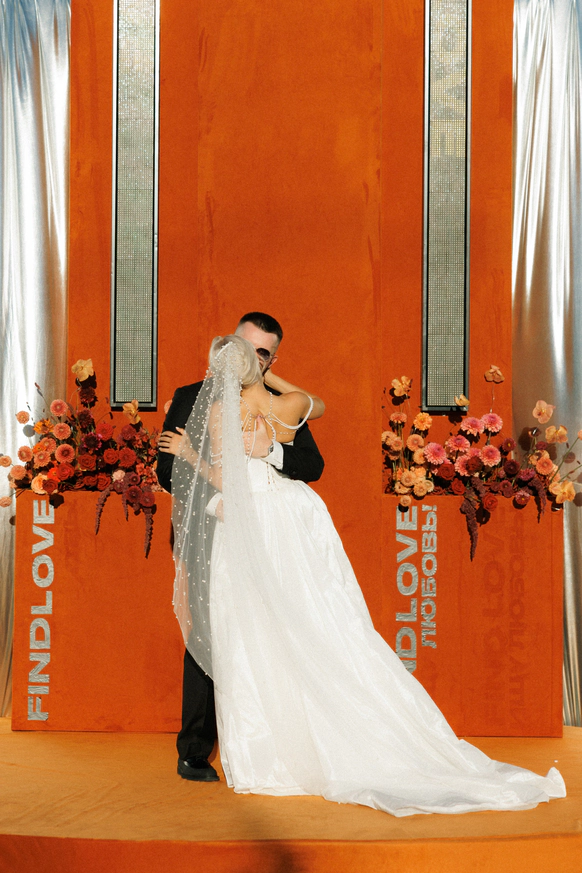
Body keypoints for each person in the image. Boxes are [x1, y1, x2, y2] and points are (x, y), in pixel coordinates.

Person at [163, 333, 566, 816]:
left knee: (255, 633)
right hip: (291, 519)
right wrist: (266, 376)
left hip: (252, 523)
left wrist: (190, 456)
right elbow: (316, 403)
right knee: (315, 622)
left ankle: (279, 743)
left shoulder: (219, 412)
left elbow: (232, 481)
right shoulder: (287, 404)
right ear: (258, 366)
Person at [157, 312, 324, 782]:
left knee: (271, 631)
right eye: (243, 346)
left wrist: (268, 451)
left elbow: (311, 464)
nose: (249, 357)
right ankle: (195, 750)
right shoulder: (191, 397)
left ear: (272, 359)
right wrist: (218, 505)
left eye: (262, 352)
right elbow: (168, 471)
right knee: (209, 635)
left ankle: (274, 740)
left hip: (268, 536)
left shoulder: (275, 403)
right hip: (209, 533)